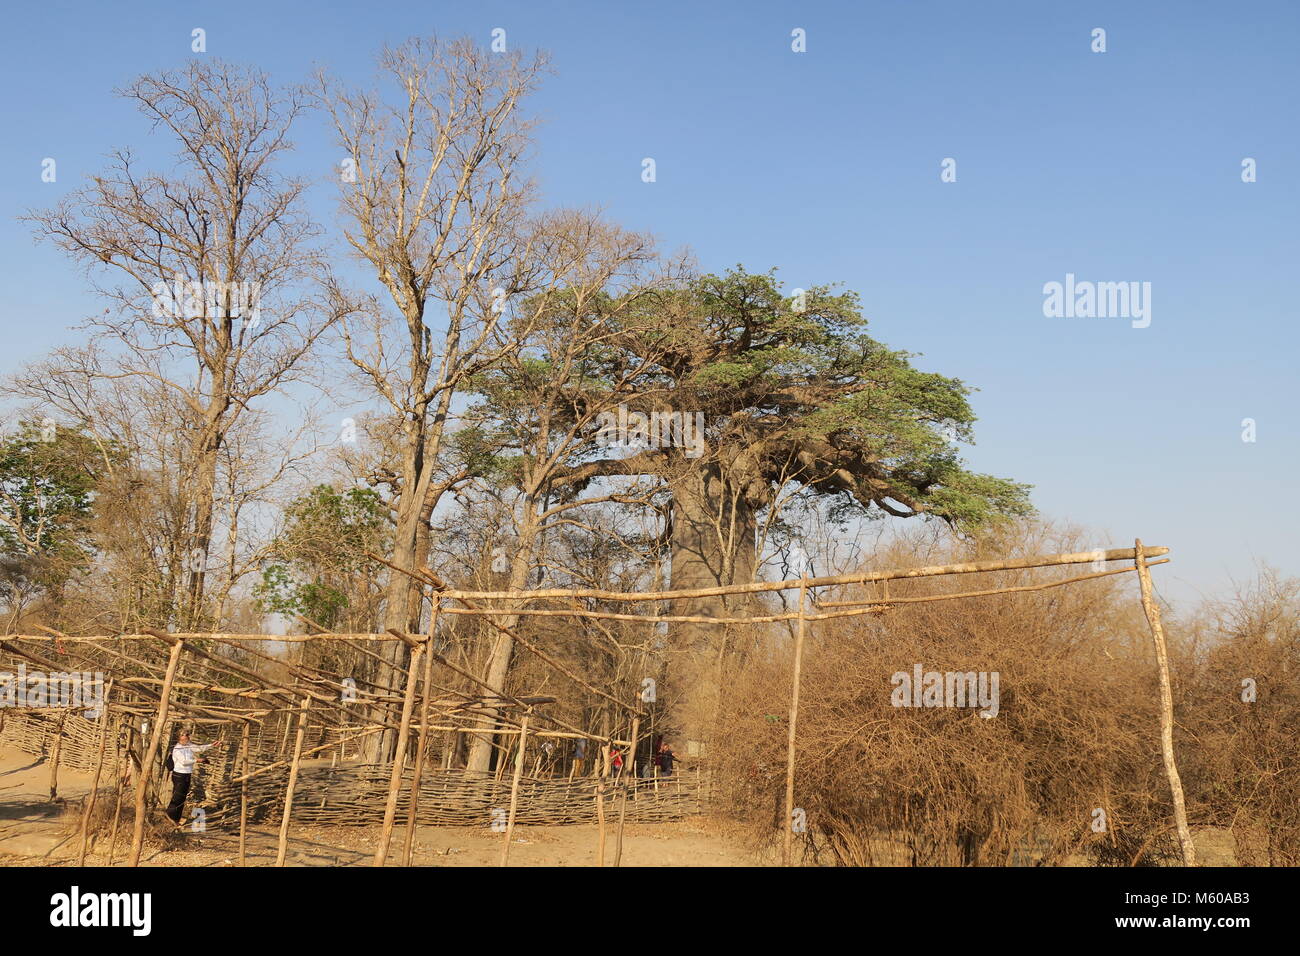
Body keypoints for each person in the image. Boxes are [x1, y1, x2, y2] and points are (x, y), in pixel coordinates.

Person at [165, 730, 223, 825]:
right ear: (179, 737)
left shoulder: (188, 745)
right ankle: (168, 818)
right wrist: (198, 760)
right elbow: (184, 761)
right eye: (185, 735)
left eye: (188, 735)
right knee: (177, 798)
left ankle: (176, 820)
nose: (188, 737)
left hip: (187, 775)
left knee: (182, 799)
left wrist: (212, 745)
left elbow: (199, 748)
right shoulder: (177, 749)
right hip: (179, 775)